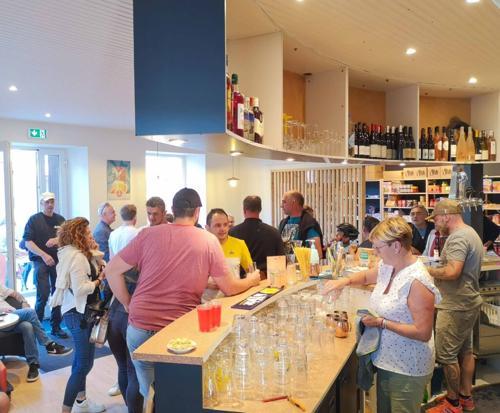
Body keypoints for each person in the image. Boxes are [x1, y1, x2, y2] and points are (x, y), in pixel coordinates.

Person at [105, 188, 261, 402]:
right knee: (179, 395)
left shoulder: (148, 234)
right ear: (197, 212)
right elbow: (230, 287)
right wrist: (253, 279)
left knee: (150, 394)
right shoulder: (208, 240)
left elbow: (112, 270)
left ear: (172, 209)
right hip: (177, 328)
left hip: (139, 326)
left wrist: (128, 303)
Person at [323, 217, 441, 413]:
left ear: (396, 246)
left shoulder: (417, 281)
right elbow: (366, 276)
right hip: (387, 360)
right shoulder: (388, 265)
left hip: (407, 366)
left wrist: (381, 323)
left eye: (378, 248)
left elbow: (422, 332)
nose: (375, 252)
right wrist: (343, 282)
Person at [426, 200, 483, 413]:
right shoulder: (471, 233)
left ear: (446, 216)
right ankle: (465, 397)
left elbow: (452, 272)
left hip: (455, 305)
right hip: (468, 302)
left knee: (447, 355)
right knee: (466, 352)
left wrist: (426, 270)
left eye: (436, 219)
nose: (435, 224)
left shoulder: (458, 237)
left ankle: (452, 403)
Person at [52, 217, 106, 413]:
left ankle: (81, 402)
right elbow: (80, 289)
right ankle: (66, 409)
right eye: (88, 233)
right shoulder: (77, 257)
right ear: (79, 235)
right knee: (83, 365)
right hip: (78, 314)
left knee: (81, 362)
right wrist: (99, 281)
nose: (91, 235)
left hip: (79, 313)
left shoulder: (78, 254)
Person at [107, 204, 142, 412]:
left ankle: (129, 405)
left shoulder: (114, 235)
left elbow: (112, 264)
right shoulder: (137, 234)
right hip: (130, 294)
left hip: (115, 299)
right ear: (135, 217)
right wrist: (129, 302)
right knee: (132, 369)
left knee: (122, 367)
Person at [0, 284, 72, 382]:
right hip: (2, 320)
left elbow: (15, 294)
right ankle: (49, 345)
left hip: (13, 317)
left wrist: (24, 302)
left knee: (27, 326)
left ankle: (33, 364)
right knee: (30, 312)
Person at [22, 191, 68, 339]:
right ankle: (37, 329)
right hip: (40, 261)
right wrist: (44, 255)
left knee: (58, 293)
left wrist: (57, 240)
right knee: (42, 294)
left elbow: (68, 239)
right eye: (47, 202)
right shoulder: (34, 220)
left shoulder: (61, 220)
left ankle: (56, 327)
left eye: (52, 201)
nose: (50, 204)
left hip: (57, 261)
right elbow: (28, 242)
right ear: (41, 203)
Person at [229, 196, 285, 276]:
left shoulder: (232, 232)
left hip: (240, 278)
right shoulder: (274, 232)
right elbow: (281, 260)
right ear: (260, 210)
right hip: (267, 279)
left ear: (244, 210)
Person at [206, 208, 253, 277]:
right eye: (218, 225)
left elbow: (251, 271)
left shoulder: (240, 244)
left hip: (236, 284)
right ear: (207, 228)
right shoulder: (202, 247)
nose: (222, 229)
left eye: (225, 224)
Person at [278, 191, 323, 258]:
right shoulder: (283, 223)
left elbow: (317, 255)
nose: (281, 206)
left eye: (284, 202)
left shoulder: (309, 224)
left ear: (294, 202)